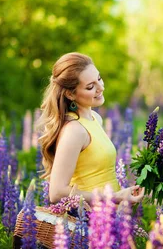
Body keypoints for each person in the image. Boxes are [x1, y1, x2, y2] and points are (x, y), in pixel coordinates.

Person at [37, 52, 144, 205]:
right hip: (88, 220)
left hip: (110, 214)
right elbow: (56, 193)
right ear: (70, 94)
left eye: (99, 78)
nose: (100, 88)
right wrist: (114, 197)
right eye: (90, 86)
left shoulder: (94, 118)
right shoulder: (74, 130)